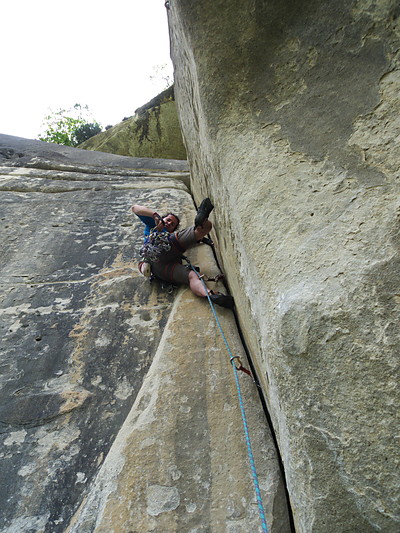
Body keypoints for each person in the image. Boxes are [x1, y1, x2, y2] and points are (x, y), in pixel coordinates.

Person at [131, 199, 234, 309]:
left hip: (161, 271)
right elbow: (135, 208)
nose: (169, 223)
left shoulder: (169, 234)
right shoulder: (153, 224)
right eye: (168, 220)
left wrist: (205, 241)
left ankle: (210, 294)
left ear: (173, 230)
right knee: (203, 228)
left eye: (172, 224)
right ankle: (200, 223)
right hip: (158, 249)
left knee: (192, 276)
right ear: (163, 218)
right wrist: (155, 216)